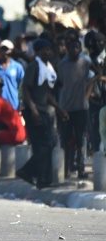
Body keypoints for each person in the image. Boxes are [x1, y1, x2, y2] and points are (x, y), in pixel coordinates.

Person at [16, 39, 65, 189]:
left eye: (49, 49)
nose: (48, 52)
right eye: (44, 49)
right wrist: (34, 110)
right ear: (38, 51)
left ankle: (43, 179)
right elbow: (26, 91)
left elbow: (46, 93)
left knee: (47, 145)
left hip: (44, 111)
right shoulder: (34, 66)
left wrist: (58, 108)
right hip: (34, 112)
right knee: (45, 145)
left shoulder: (47, 68)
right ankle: (27, 171)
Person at [56, 36, 94, 178]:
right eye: (72, 47)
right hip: (65, 107)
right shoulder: (61, 65)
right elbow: (60, 83)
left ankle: (81, 169)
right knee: (66, 139)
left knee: (80, 140)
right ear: (67, 48)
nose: (74, 50)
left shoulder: (85, 62)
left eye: (77, 47)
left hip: (81, 107)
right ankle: (66, 168)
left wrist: (86, 96)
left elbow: (92, 78)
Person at [0, 40, 25, 111]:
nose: (4, 52)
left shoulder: (17, 67)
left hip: (13, 104)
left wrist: (21, 102)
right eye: (2, 49)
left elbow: (22, 87)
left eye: (6, 49)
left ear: (11, 51)